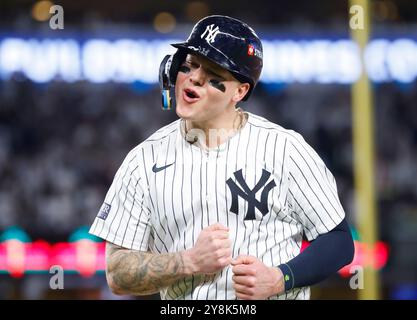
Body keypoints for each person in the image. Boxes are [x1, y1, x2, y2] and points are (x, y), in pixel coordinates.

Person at [89, 15, 354, 300]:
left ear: (240, 91)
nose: (194, 78)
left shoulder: (285, 149)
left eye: (213, 72)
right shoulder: (142, 161)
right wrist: (188, 261)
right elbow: (117, 274)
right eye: (189, 65)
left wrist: (280, 278)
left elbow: (338, 242)